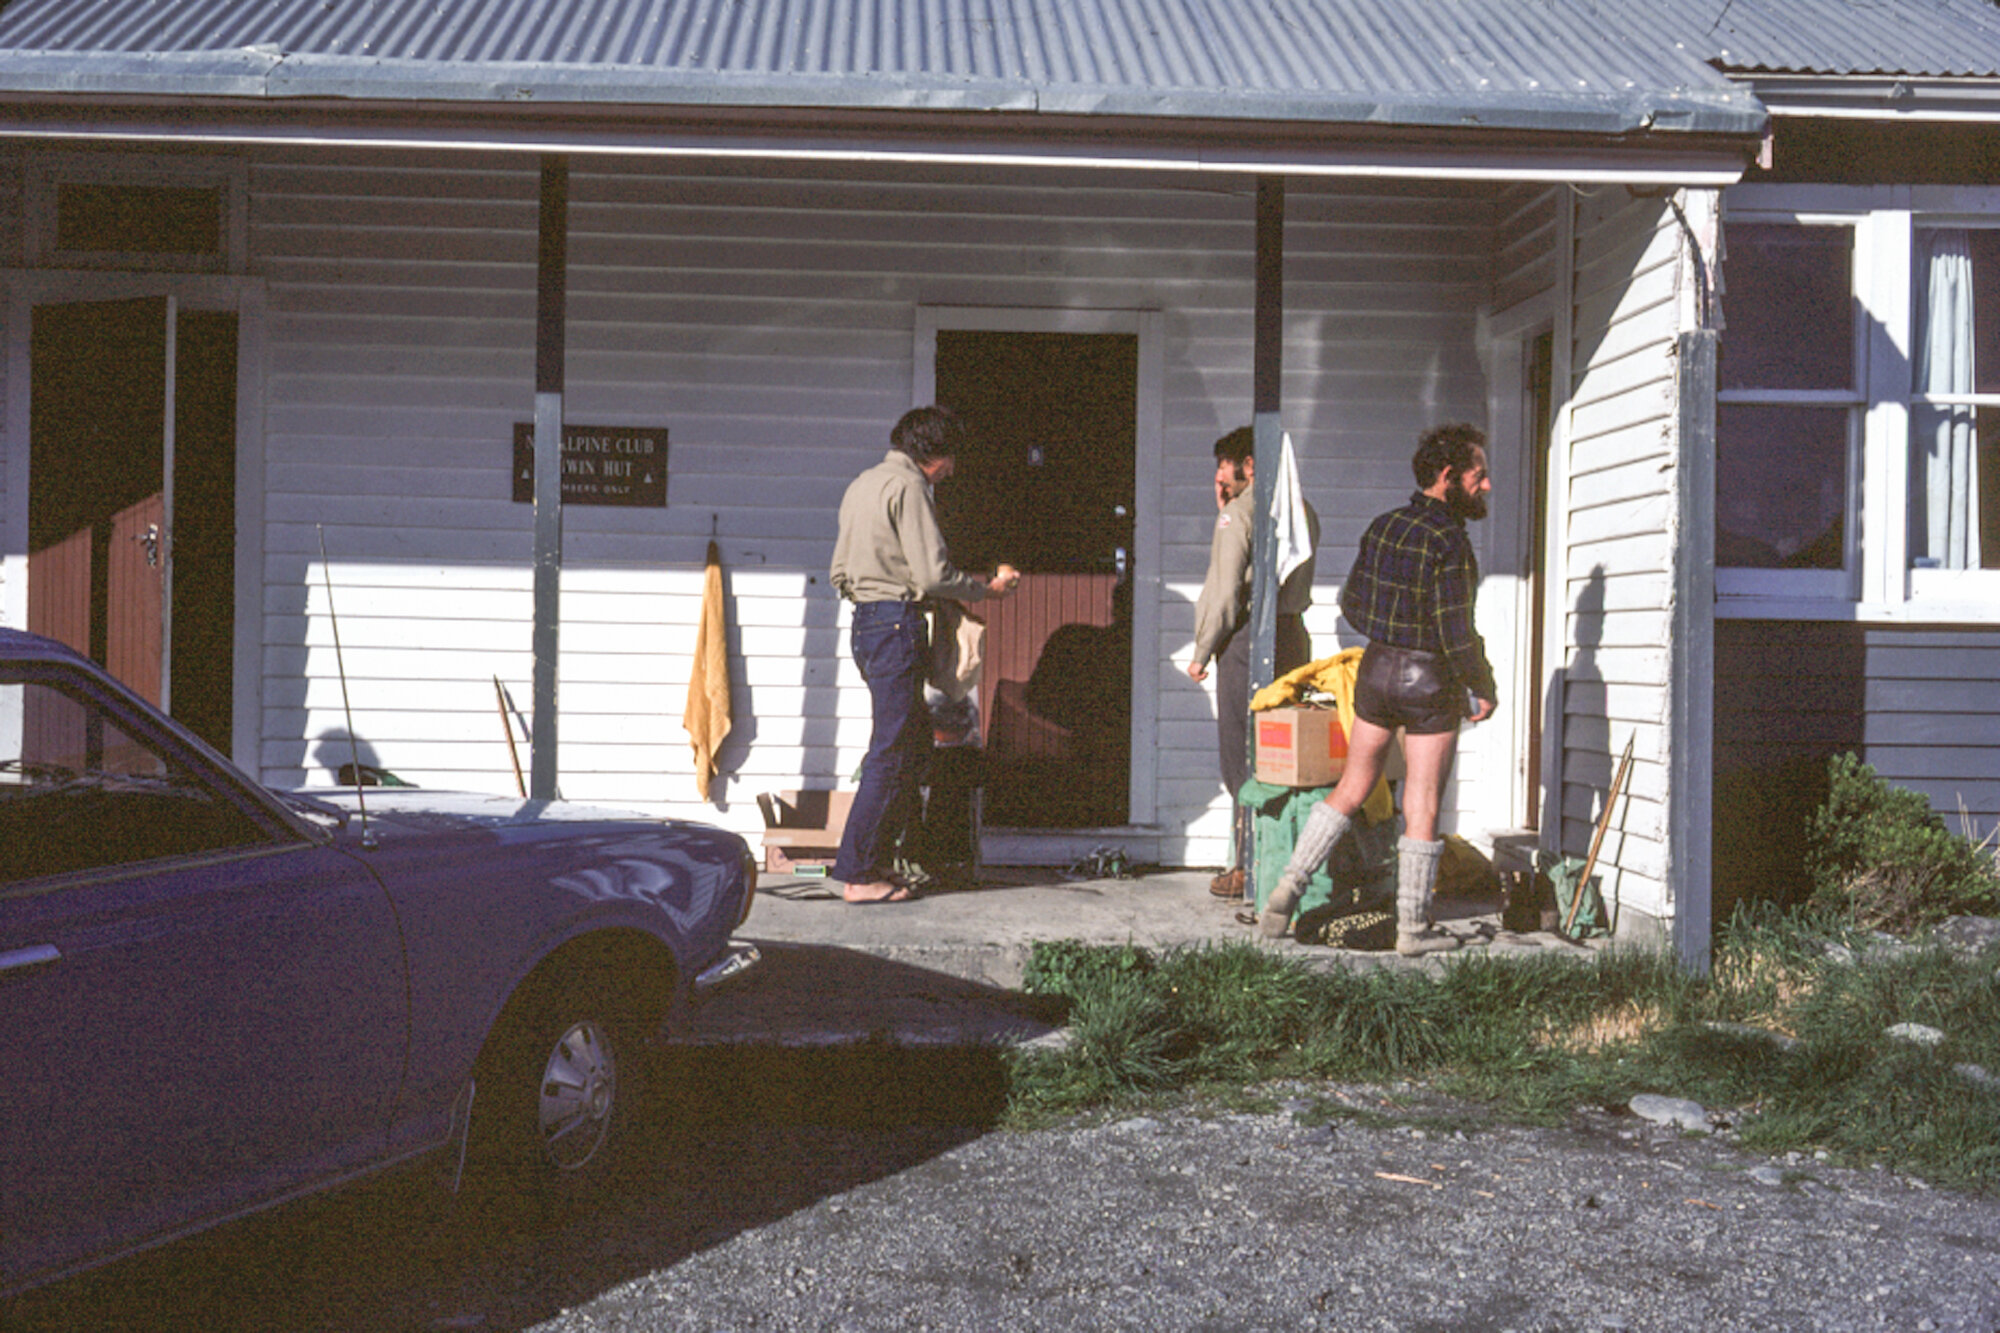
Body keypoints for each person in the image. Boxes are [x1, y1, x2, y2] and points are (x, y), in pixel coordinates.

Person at [1259, 422, 1496, 954]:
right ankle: (1412, 929)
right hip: (1429, 678)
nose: (1485, 486)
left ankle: (1284, 893)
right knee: (1423, 801)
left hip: (1376, 670)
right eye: (1478, 476)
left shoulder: (1385, 525)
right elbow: (1456, 629)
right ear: (1447, 476)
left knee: (1350, 787)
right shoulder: (1450, 540)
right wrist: (1482, 684)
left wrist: (1390, 633)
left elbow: (1351, 603)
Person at [829, 405, 1018, 903]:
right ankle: (857, 874)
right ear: (934, 453)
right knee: (891, 751)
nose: (953, 470)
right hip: (895, 624)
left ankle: (875, 862)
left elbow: (840, 572)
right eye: (952, 458)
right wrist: (987, 592)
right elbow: (933, 574)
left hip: (867, 624)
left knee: (911, 746)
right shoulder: (911, 487)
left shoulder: (862, 484)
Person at [1186, 426, 1319, 900]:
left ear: (1249, 464)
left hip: (1248, 639)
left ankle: (1246, 866)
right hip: (1292, 638)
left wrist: (1202, 652)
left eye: (1227, 465)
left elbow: (1225, 595)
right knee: (1284, 754)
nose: (1221, 476)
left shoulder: (1238, 517)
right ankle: (1285, 860)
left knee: (1241, 758)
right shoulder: (1304, 512)